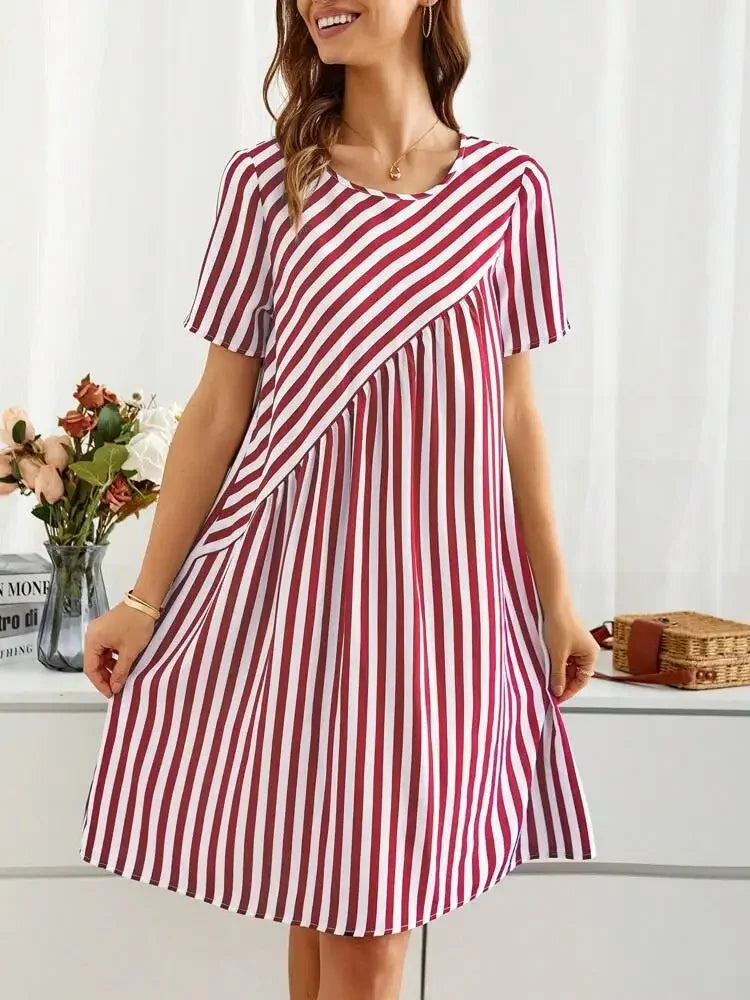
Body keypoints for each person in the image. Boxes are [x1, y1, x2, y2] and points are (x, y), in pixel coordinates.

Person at [80, 2, 599, 998]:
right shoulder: (269, 183)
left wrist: (556, 602)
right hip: (299, 593)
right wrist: (144, 598)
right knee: (330, 903)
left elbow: (515, 410)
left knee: (364, 918)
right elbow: (218, 408)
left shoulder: (510, 191)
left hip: (443, 606)